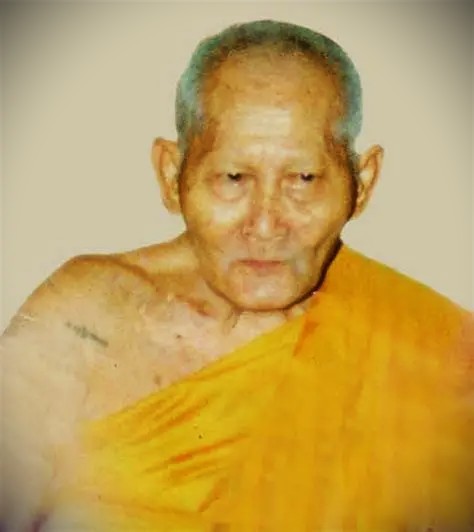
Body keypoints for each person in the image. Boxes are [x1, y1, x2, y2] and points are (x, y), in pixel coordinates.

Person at [1, 19, 472, 531]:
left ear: (362, 183)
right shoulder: (84, 316)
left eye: (303, 179)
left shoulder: (437, 351)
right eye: (233, 178)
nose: (265, 225)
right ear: (171, 175)